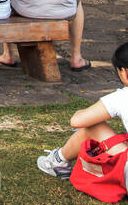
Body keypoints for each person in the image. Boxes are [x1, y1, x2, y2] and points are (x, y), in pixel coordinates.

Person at [37, 41, 128, 179]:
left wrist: (80, 112)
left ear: (124, 72)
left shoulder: (121, 96)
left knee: (93, 126)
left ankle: (58, 161)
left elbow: (77, 121)